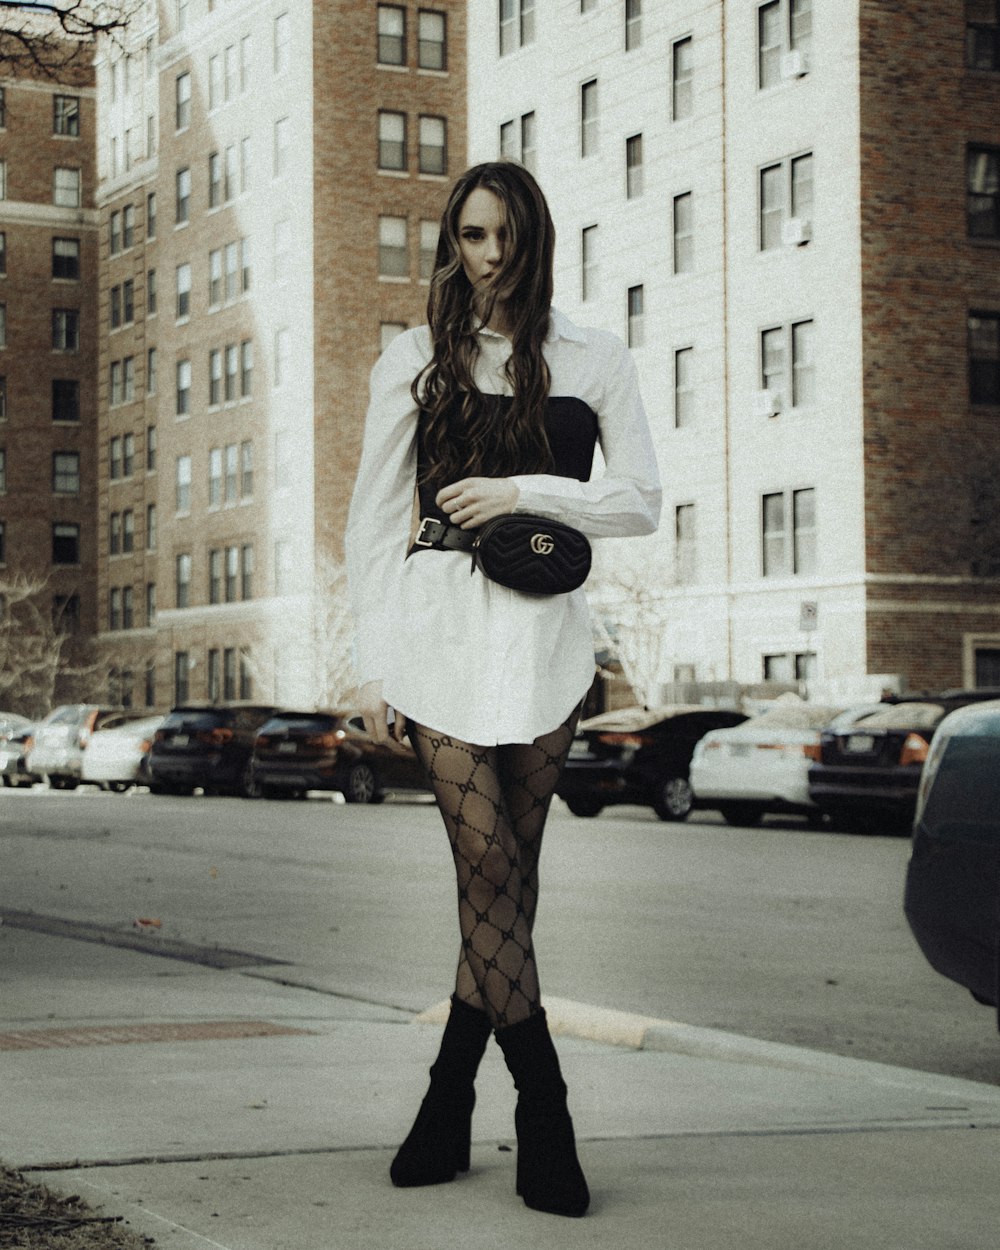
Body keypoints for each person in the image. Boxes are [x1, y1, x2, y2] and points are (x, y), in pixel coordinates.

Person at [345, 161, 660, 1218]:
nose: (488, 259)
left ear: (536, 243)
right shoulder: (413, 361)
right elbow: (373, 520)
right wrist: (374, 661)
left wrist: (525, 490)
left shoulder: (593, 355)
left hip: (543, 639)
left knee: (507, 886)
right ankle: (545, 1109)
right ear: (454, 242)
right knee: (486, 859)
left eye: (505, 239)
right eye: (472, 237)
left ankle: (444, 1101)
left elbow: (640, 502)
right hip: (438, 633)